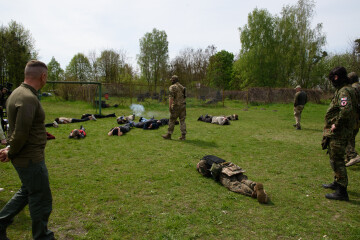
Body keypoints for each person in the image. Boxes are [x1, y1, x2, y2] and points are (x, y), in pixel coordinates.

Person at [0, 60, 55, 239]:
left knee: (27, 191)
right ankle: (42, 236)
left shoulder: (16, 94)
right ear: (43, 76)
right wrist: (11, 151)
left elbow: (14, 129)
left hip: (24, 157)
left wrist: (9, 147)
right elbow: (21, 132)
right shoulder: (28, 98)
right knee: (41, 199)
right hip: (30, 159)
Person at [321, 67, 357, 201]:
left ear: (336, 77)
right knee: (335, 157)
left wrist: (337, 123)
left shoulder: (344, 92)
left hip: (339, 132)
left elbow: (346, 110)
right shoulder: (346, 90)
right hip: (340, 131)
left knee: (337, 160)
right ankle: (337, 182)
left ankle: (342, 190)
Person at [197, 155, 268, 204]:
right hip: (232, 166)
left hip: (224, 172)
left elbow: (205, 173)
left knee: (235, 184)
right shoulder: (210, 157)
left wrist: (199, 169)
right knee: (243, 179)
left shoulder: (202, 161)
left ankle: (254, 194)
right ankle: (255, 186)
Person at [162, 75, 186, 140]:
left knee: (172, 120)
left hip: (176, 106)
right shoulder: (182, 87)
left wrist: (170, 107)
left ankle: (169, 135)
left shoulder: (172, 87)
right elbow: (184, 96)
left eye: (171, 80)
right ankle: (183, 136)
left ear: (173, 80)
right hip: (183, 105)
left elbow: (171, 98)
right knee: (182, 121)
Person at [346, 72, 360, 167]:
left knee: (347, 136)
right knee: (352, 136)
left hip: (353, 116)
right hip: (358, 117)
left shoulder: (353, 89)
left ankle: (353, 155)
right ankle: (349, 157)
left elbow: (350, 104)